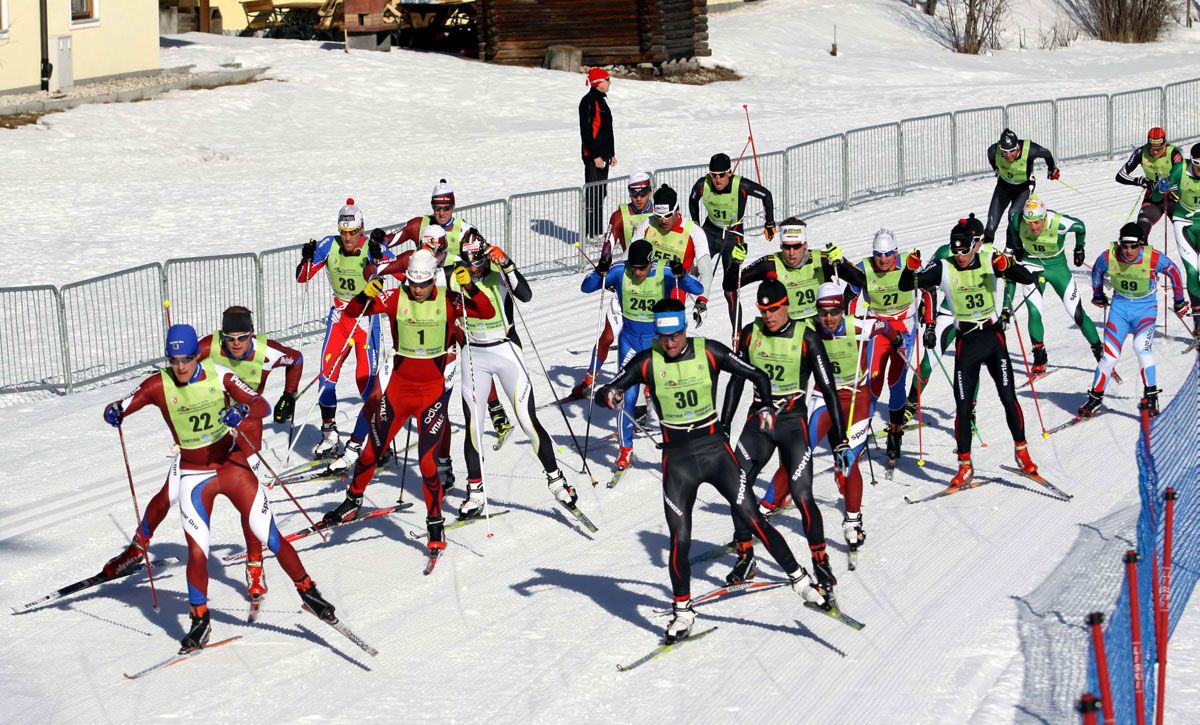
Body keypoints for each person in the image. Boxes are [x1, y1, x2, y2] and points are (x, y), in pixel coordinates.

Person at [594, 299, 830, 644]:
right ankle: (683, 611)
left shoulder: (710, 352)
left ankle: (801, 581)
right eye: (663, 337)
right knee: (680, 538)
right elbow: (606, 390)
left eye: (675, 336)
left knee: (752, 518)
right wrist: (610, 395)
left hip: (715, 452)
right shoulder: (648, 360)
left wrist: (765, 404)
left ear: (685, 330)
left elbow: (757, 374)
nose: (669, 344)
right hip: (678, 461)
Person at [101, 325, 336, 652]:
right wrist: (114, 411)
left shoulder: (220, 374)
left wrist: (241, 410)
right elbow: (125, 403)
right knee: (197, 550)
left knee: (271, 536)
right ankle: (200, 620)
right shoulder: (159, 384)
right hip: (194, 476)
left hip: (231, 466)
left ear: (197, 355)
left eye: (186, 359)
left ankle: (309, 592)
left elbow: (260, 405)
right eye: (173, 360)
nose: (180, 367)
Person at [101, 308, 303, 601]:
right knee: (167, 494)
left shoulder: (267, 351)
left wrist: (288, 395)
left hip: (246, 431)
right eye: (229, 338)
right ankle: (136, 549)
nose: (234, 345)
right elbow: (178, 370)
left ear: (252, 334)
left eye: (242, 338)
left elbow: (295, 359)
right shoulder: (208, 347)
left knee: (249, 507)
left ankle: (255, 565)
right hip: (206, 435)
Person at [321, 250, 495, 554]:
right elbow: (351, 313)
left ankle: (435, 520)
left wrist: (470, 286)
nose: (417, 289)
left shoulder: (449, 300)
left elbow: (486, 312)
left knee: (428, 462)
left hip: (430, 394)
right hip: (398, 392)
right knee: (371, 452)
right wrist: (365, 292)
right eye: (413, 283)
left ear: (433, 279)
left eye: (424, 283)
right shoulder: (393, 298)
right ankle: (352, 500)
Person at [719, 279, 849, 592]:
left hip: (792, 423)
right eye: (763, 310)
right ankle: (745, 555)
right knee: (737, 485)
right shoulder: (751, 333)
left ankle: (819, 560)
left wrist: (840, 438)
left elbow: (828, 388)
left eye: (774, 309)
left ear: (786, 306)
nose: (768, 316)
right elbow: (736, 381)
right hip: (760, 422)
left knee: (802, 494)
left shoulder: (807, 336)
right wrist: (723, 425)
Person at [899, 218, 1042, 487]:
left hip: (992, 337)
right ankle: (965, 465)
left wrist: (1008, 266)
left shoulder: (989, 258)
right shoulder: (944, 267)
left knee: (1008, 396)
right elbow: (908, 284)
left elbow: (1027, 278)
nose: (960, 257)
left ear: (974, 247)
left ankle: (1021, 451)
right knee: (963, 407)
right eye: (956, 251)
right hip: (966, 340)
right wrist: (909, 269)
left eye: (964, 251)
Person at [453, 232, 579, 518]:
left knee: (526, 420)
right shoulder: (456, 276)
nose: (472, 268)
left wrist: (508, 264)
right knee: (473, 425)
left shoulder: (497, 273)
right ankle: (475, 494)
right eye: (467, 261)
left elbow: (526, 295)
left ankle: (557, 481)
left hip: (505, 350)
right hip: (474, 354)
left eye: (477, 261)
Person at [581, 238, 704, 470]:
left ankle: (681, 444)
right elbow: (586, 287)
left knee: (667, 395)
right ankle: (625, 449)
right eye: (634, 267)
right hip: (628, 341)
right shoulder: (620, 271)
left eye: (642, 268)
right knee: (625, 396)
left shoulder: (664, 272)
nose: (637, 273)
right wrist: (600, 270)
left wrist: (683, 274)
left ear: (651, 262)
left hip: (657, 345)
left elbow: (698, 288)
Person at [295, 198, 393, 461]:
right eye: (343, 232)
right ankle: (329, 434)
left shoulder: (370, 248)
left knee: (366, 383)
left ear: (362, 230)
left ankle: (377, 436)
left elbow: (400, 268)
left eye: (352, 232)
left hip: (364, 318)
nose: (347, 238)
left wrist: (380, 254)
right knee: (326, 380)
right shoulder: (330, 245)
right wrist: (305, 258)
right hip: (339, 318)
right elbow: (303, 277)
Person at [834, 229, 931, 464]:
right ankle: (859, 434)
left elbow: (928, 291)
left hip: (904, 327)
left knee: (896, 382)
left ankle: (894, 434)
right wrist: (847, 328)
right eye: (878, 254)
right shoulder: (865, 268)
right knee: (872, 382)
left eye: (888, 254)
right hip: (877, 327)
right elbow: (849, 296)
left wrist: (930, 324)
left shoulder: (909, 263)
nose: (883, 260)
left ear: (896, 252)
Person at [1078, 223, 1189, 419]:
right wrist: (1097, 294)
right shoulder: (1109, 256)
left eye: (1133, 246)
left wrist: (1179, 300)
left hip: (1144, 310)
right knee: (1109, 357)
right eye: (1125, 246)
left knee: (1141, 348)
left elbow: (1174, 271)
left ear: (1141, 244)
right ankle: (1095, 398)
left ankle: (1151, 397)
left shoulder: (1152, 257)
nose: (1128, 251)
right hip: (1119, 309)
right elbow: (1097, 271)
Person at [570, 172, 656, 399]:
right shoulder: (620, 215)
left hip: (654, 286)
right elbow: (608, 245)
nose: (639, 198)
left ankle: (652, 388)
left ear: (650, 191)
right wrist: (606, 264)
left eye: (643, 193)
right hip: (629, 282)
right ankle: (589, 380)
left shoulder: (661, 214)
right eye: (634, 193)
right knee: (607, 336)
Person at [1001, 195, 1101, 374]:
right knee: (1033, 311)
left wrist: (1079, 248)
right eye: (1029, 222)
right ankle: (1039, 357)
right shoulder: (1017, 220)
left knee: (1076, 314)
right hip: (1032, 265)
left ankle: (1099, 352)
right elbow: (1013, 238)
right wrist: (1016, 247)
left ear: (1044, 216)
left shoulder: (1059, 221)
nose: (1033, 226)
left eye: (1037, 221)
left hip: (1057, 267)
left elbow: (1080, 226)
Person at [687, 153, 777, 328]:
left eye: (721, 175)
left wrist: (769, 223)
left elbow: (766, 195)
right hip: (710, 232)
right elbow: (692, 199)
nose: (717, 179)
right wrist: (696, 226)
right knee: (692, 271)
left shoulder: (740, 185)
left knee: (730, 289)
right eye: (713, 175)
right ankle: (695, 307)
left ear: (729, 172)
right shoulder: (703, 184)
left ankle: (737, 334)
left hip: (732, 235)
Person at [738, 219, 841, 323]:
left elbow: (858, 279)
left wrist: (841, 262)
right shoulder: (770, 264)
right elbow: (731, 285)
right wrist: (735, 263)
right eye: (787, 247)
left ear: (805, 245)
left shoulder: (822, 260)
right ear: (781, 246)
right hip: (789, 329)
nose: (791, 253)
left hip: (822, 325)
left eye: (797, 246)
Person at [635, 185, 710, 312]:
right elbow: (631, 253)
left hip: (674, 293)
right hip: (645, 290)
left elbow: (706, 270)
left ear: (677, 210)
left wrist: (702, 301)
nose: (663, 220)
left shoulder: (694, 232)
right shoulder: (648, 223)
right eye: (659, 215)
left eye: (668, 215)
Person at [985, 128, 1059, 245]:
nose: (1008, 155)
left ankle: (1010, 250)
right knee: (991, 224)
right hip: (1004, 186)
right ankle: (985, 255)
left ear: (1018, 147)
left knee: (1013, 215)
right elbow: (990, 155)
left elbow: (1047, 154)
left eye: (1012, 151)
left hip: (1023, 188)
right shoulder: (994, 150)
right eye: (1005, 151)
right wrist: (997, 170)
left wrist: (1052, 169)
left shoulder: (1030, 150)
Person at [384, 179, 476, 267]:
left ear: (453, 207)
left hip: (453, 281)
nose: (441, 213)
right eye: (437, 208)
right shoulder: (418, 225)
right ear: (432, 206)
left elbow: (481, 260)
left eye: (446, 208)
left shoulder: (465, 230)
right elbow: (384, 242)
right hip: (422, 281)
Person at [1115, 127, 1183, 239]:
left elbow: (1183, 178)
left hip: (1174, 197)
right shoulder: (1141, 152)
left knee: (1187, 232)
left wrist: (1168, 185)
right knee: (1140, 234)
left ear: (1165, 144)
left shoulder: (1174, 154)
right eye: (1152, 148)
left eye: (1159, 148)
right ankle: (1141, 255)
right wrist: (1140, 181)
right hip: (1153, 196)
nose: (1155, 151)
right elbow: (1120, 176)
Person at [1165, 142, 1200, 336]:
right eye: (1196, 163)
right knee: (1192, 272)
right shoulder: (1180, 169)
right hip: (1183, 221)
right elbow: (1159, 192)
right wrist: (1162, 188)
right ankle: (1199, 324)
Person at [580, 67, 616, 239]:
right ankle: (591, 233)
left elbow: (606, 130)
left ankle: (597, 232)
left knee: (601, 193)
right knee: (593, 194)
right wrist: (595, 156)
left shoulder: (602, 101)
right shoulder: (588, 101)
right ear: (598, 82)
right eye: (607, 79)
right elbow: (587, 132)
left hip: (604, 156)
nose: (609, 83)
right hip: (594, 158)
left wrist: (611, 153)